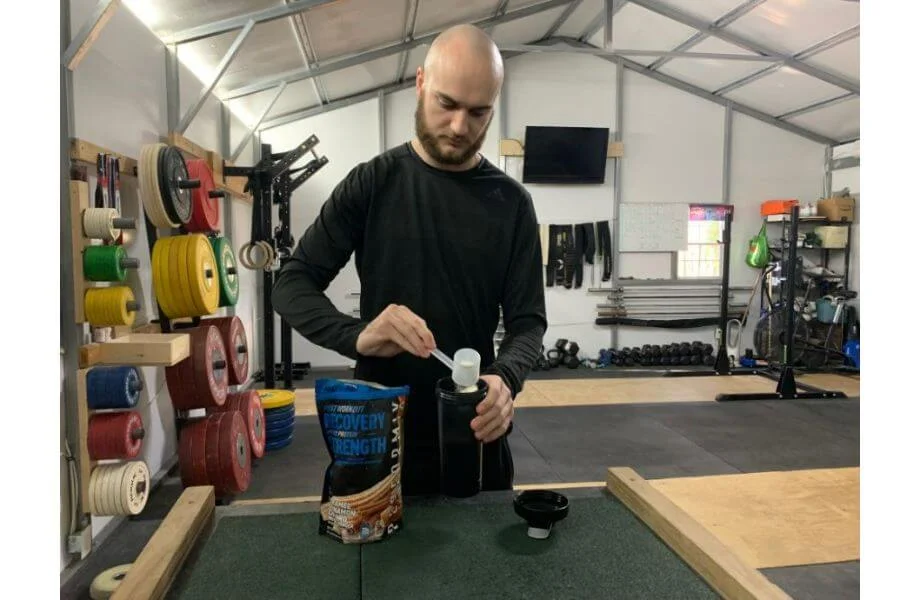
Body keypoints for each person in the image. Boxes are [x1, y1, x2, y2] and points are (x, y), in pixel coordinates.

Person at [272, 24, 547, 496]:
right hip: (378, 430)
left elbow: (528, 323)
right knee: (370, 570)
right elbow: (291, 285)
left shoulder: (512, 204)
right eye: (447, 103)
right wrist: (356, 336)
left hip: (473, 430)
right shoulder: (372, 184)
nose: (461, 126)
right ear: (420, 83)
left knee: (487, 568)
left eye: (478, 112)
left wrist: (505, 379)